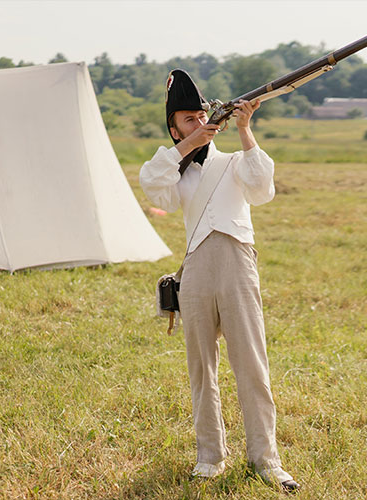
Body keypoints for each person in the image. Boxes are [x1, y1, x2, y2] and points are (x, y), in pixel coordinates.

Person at [139, 69, 299, 493]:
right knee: (201, 369)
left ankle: (266, 459)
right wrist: (191, 143)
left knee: (252, 364)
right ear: (174, 129)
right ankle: (210, 456)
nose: (196, 122)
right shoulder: (175, 170)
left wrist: (245, 129)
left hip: (237, 263)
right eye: (186, 120)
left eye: (199, 115)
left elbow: (262, 189)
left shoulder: (233, 161)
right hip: (196, 271)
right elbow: (152, 185)